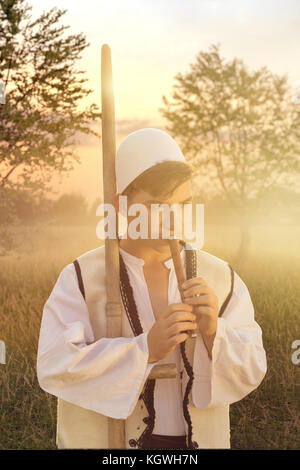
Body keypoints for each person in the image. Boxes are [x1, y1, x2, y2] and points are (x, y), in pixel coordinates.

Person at [36, 128, 267, 449]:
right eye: (157, 205)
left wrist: (216, 332)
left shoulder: (222, 277)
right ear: (121, 204)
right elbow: (55, 365)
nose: (173, 218)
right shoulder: (79, 277)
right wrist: (145, 350)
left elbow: (252, 369)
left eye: (183, 204)